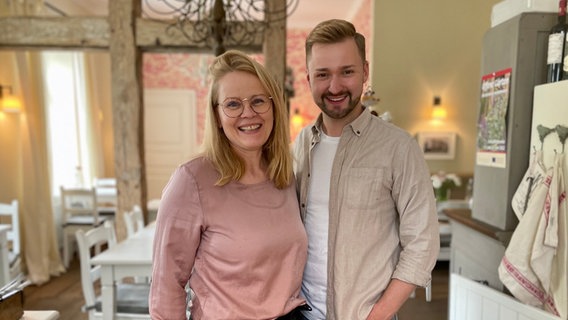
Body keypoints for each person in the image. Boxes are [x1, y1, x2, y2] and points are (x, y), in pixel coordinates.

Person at [293, 19, 440, 320]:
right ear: (308, 79)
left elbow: (422, 244)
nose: (335, 87)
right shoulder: (300, 144)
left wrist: (378, 316)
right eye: (323, 74)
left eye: (347, 71)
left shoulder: (399, 147)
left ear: (365, 72)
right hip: (301, 314)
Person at [149, 50, 309, 320]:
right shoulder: (192, 180)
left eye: (258, 101)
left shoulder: (283, 175)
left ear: (274, 108)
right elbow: (167, 284)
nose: (248, 113)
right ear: (217, 116)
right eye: (233, 104)